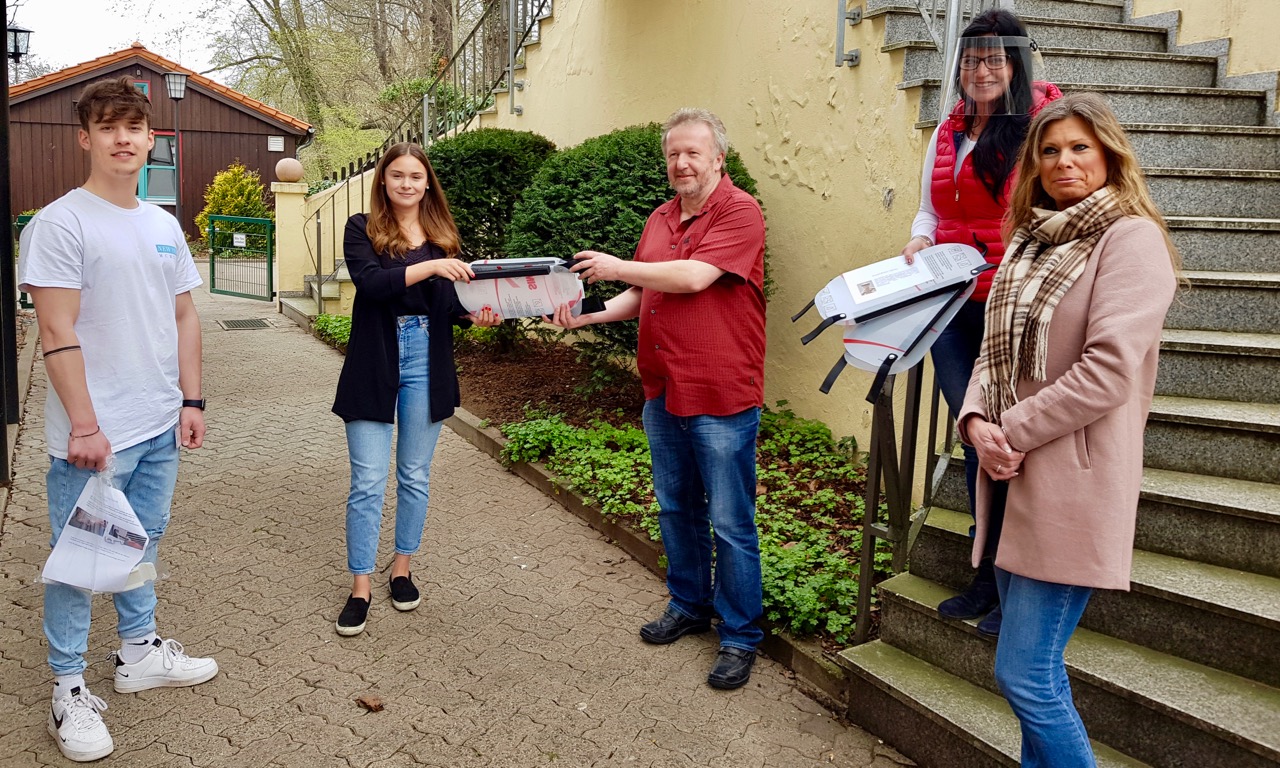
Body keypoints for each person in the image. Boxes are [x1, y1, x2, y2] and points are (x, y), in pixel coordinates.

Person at [957, 92, 1178, 766]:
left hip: (1071, 485)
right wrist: (973, 423)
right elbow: (991, 353)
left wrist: (1011, 430)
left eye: (1080, 147)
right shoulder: (1027, 241)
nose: (1064, 162)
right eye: (1050, 150)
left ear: (1109, 154)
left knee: (1025, 674)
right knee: (1029, 679)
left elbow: (1108, 369)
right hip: (1015, 475)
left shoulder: (1131, 239)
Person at [18, 76, 218, 763]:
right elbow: (54, 327)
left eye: (134, 127)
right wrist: (81, 424)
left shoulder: (162, 224)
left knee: (140, 545)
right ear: (86, 138)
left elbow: (184, 315)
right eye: (108, 127)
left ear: (151, 139)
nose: (123, 138)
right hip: (93, 436)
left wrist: (190, 402)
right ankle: (68, 689)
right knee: (80, 562)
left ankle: (138, 653)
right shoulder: (61, 222)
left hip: (160, 421)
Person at [550, 108, 767, 690]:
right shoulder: (661, 217)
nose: (682, 163)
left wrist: (618, 265)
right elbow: (643, 291)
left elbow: (694, 277)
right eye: (674, 154)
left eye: (693, 153)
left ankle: (742, 635)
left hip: (720, 390)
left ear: (718, 158)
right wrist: (589, 316)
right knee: (676, 509)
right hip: (664, 386)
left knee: (729, 519)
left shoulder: (741, 212)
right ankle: (690, 605)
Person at [901, 9, 1062, 636]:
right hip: (953, 306)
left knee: (1013, 441)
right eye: (971, 60)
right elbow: (925, 212)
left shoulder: (1043, 130)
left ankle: (1017, 587)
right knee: (977, 438)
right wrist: (918, 242)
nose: (982, 70)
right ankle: (985, 572)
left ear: (1017, 66)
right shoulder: (948, 132)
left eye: (995, 59)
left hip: (1013, 308)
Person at [331, 142, 499, 637]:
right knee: (367, 481)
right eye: (398, 175)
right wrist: (430, 266)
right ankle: (360, 584)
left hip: (428, 357)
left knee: (414, 474)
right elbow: (372, 285)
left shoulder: (442, 236)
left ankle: (401, 568)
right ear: (384, 180)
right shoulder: (362, 228)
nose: (407, 183)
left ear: (428, 184)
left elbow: (449, 305)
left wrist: (477, 316)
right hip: (376, 361)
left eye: (416, 176)